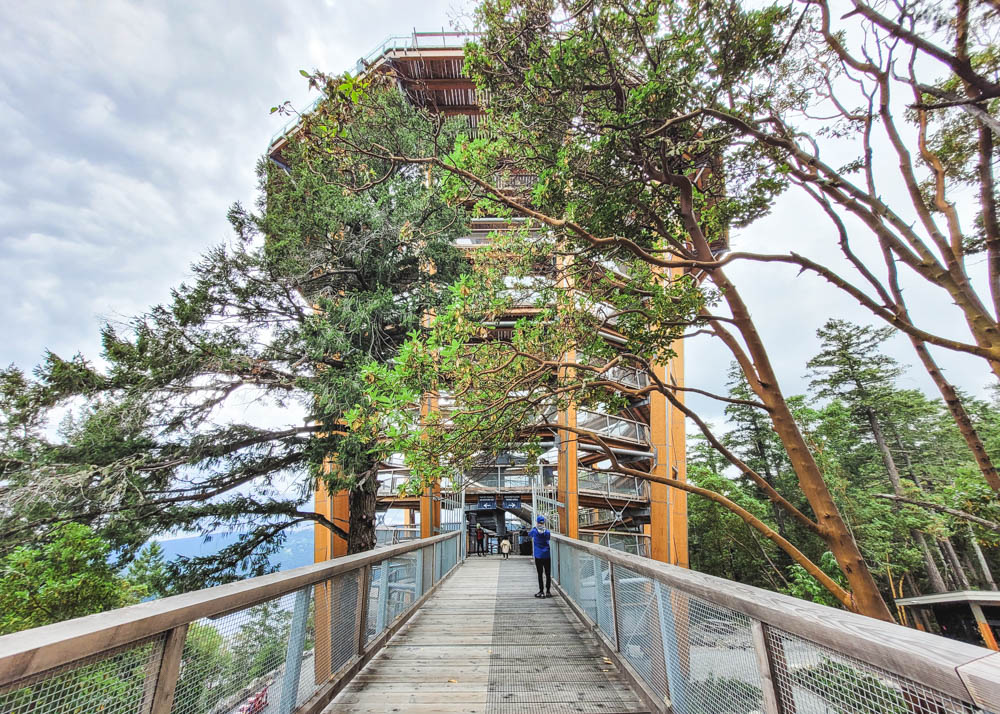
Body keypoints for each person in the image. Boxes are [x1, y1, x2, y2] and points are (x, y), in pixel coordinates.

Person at [529, 516, 551, 597]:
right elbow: (548, 538)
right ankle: (548, 591)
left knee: (540, 573)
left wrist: (535, 527)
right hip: (547, 555)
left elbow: (529, 534)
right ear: (544, 523)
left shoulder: (534, 531)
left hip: (538, 555)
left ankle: (541, 591)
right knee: (548, 573)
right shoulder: (547, 532)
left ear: (537, 522)